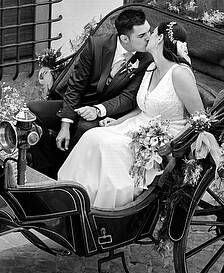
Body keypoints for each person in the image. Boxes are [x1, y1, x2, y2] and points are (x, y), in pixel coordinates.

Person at [59, 20, 207, 211]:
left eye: (152, 33)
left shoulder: (179, 74)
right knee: (92, 136)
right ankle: (74, 201)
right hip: (138, 124)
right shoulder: (151, 68)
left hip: (165, 136)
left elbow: (199, 118)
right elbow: (142, 107)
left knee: (107, 145)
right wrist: (117, 122)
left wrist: (172, 144)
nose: (148, 37)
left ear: (160, 38)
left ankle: (106, 208)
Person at [27, 7, 152, 177]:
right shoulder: (96, 46)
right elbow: (75, 86)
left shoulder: (146, 58)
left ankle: (63, 175)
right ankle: (44, 168)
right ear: (124, 38)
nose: (148, 38)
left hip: (109, 114)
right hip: (80, 105)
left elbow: (128, 98)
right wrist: (65, 124)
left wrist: (97, 110)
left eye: (149, 32)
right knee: (35, 111)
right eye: (142, 35)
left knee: (85, 128)